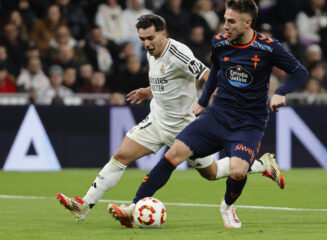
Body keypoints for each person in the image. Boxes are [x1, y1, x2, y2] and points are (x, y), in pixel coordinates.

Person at [56, 13, 284, 226]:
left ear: (163, 34)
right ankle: (84, 205)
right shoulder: (150, 50)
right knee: (121, 156)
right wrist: (148, 90)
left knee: (211, 173)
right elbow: (166, 79)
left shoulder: (179, 53)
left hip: (185, 126)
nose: (146, 43)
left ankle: (262, 164)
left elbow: (208, 75)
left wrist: (213, 106)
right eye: (142, 39)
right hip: (157, 120)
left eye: (150, 38)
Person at [108, 1, 308, 229]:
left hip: (248, 123)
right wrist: (203, 102)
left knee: (237, 170)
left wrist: (280, 92)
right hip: (218, 114)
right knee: (174, 153)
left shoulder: (268, 47)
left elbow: (300, 73)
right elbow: (215, 69)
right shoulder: (219, 42)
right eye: (225, 19)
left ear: (247, 22)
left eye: (231, 21)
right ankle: (133, 206)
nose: (225, 26)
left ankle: (228, 205)